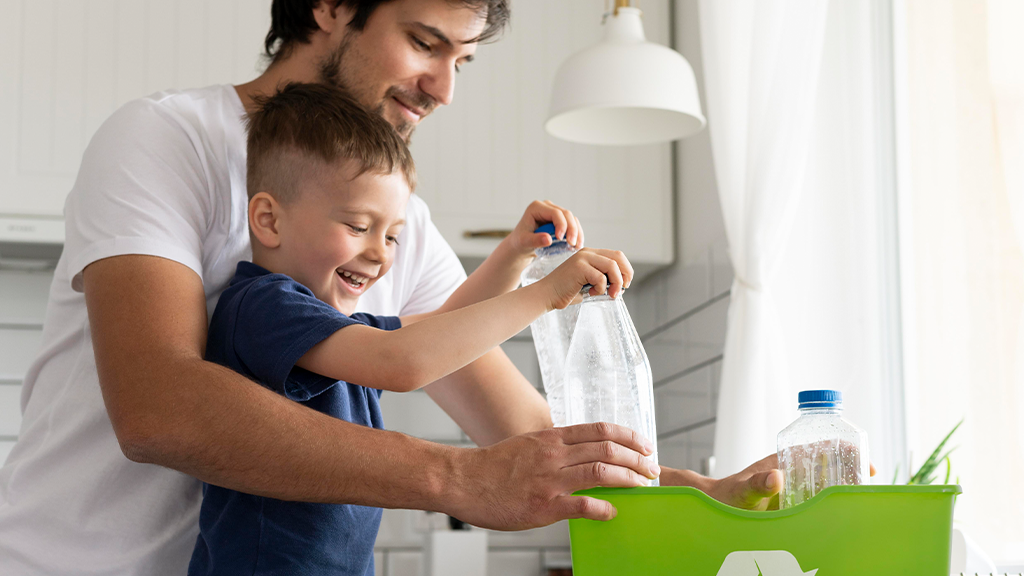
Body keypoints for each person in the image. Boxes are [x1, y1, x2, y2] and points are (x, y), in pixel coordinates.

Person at [0, 1, 785, 574]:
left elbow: (522, 433)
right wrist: (456, 479)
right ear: (331, 8)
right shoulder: (170, 139)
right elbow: (158, 409)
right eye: (424, 42)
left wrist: (700, 491)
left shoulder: (383, 220)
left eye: (463, 61)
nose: (444, 86)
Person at [189, 81, 644, 576]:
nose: (380, 253)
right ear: (268, 220)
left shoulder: (326, 326)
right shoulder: (262, 307)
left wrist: (514, 254)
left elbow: (444, 329)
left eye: (392, 235)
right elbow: (403, 362)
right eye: (359, 227)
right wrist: (544, 294)